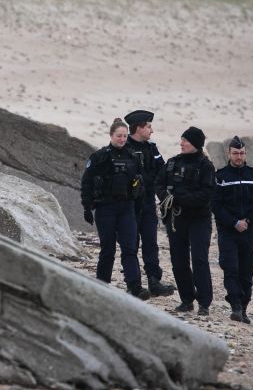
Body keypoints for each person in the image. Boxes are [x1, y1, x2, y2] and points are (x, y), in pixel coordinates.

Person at [80, 118, 151, 300]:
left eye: (125, 136)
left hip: (127, 208)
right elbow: (86, 183)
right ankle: (101, 285)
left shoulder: (133, 157)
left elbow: (141, 184)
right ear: (111, 135)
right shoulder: (99, 157)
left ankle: (135, 287)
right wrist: (87, 207)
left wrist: (139, 207)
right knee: (108, 249)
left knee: (129, 248)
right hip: (106, 208)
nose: (122, 139)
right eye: (119, 136)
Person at [155, 126, 216, 316]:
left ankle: (204, 303)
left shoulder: (206, 166)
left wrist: (180, 199)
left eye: (185, 141)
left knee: (199, 260)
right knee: (178, 261)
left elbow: (206, 194)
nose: (181, 143)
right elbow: (159, 184)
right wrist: (167, 197)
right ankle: (186, 300)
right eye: (181, 140)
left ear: (196, 144)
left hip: (199, 220)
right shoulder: (172, 163)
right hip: (176, 219)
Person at [213, 136, 253, 324]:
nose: (239, 157)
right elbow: (216, 205)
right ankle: (235, 306)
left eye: (242, 153)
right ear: (229, 154)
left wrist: (248, 220)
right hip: (228, 231)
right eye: (235, 153)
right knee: (230, 268)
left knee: (247, 271)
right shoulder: (221, 176)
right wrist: (233, 222)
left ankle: (244, 308)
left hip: (248, 230)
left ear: (246, 154)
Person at [124, 109, 176, 297]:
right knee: (131, 245)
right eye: (148, 126)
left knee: (151, 243)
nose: (151, 130)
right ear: (138, 128)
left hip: (147, 204)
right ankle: (133, 284)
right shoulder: (124, 147)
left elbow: (162, 172)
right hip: (129, 206)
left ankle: (154, 281)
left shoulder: (151, 149)